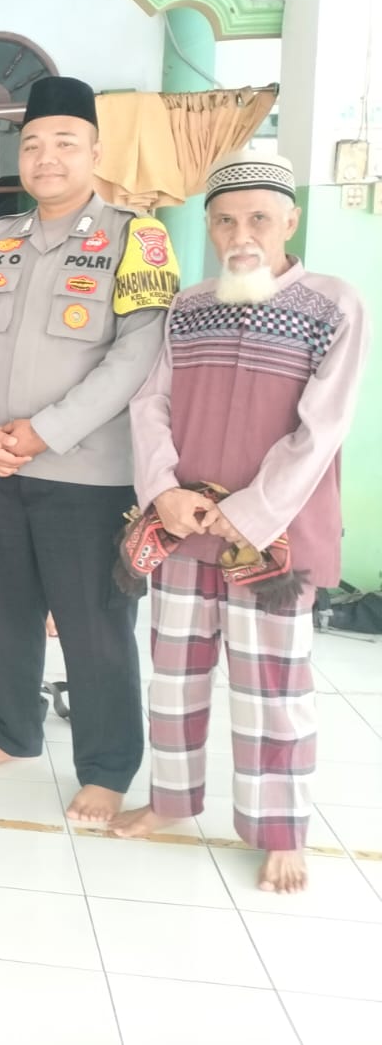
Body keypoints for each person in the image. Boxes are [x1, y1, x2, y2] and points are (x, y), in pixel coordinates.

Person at [114, 151, 371, 893]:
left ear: (291, 220)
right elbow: (151, 403)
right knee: (175, 677)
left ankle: (279, 829)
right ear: (209, 227)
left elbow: (322, 428)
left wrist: (250, 513)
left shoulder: (334, 305)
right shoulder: (190, 306)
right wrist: (163, 491)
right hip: (184, 528)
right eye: (225, 220)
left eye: (259, 217)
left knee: (271, 690)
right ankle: (171, 801)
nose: (241, 234)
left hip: (272, 541)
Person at [0, 75, 177, 823]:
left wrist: (47, 429)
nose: (47, 157)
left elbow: (139, 353)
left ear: (95, 152)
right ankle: (12, 732)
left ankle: (107, 767)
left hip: (88, 473)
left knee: (94, 626)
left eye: (65, 143)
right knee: (1, 614)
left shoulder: (138, 238)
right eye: (35, 144)